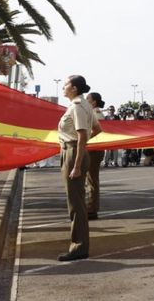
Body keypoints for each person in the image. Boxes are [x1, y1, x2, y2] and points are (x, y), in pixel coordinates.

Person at [57, 76, 101, 261]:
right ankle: (79, 245)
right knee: (77, 203)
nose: (63, 87)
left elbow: (83, 135)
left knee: (76, 205)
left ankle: (79, 247)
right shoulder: (84, 105)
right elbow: (96, 129)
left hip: (73, 153)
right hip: (74, 150)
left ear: (74, 88)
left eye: (66, 84)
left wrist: (76, 163)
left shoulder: (77, 107)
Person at [85, 92, 106, 220]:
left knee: (92, 179)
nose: (85, 100)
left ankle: (92, 209)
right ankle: (91, 207)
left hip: (95, 149)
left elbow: (97, 130)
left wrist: (84, 139)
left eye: (88, 99)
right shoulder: (93, 112)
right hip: (91, 148)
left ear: (93, 102)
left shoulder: (96, 113)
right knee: (90, 179)